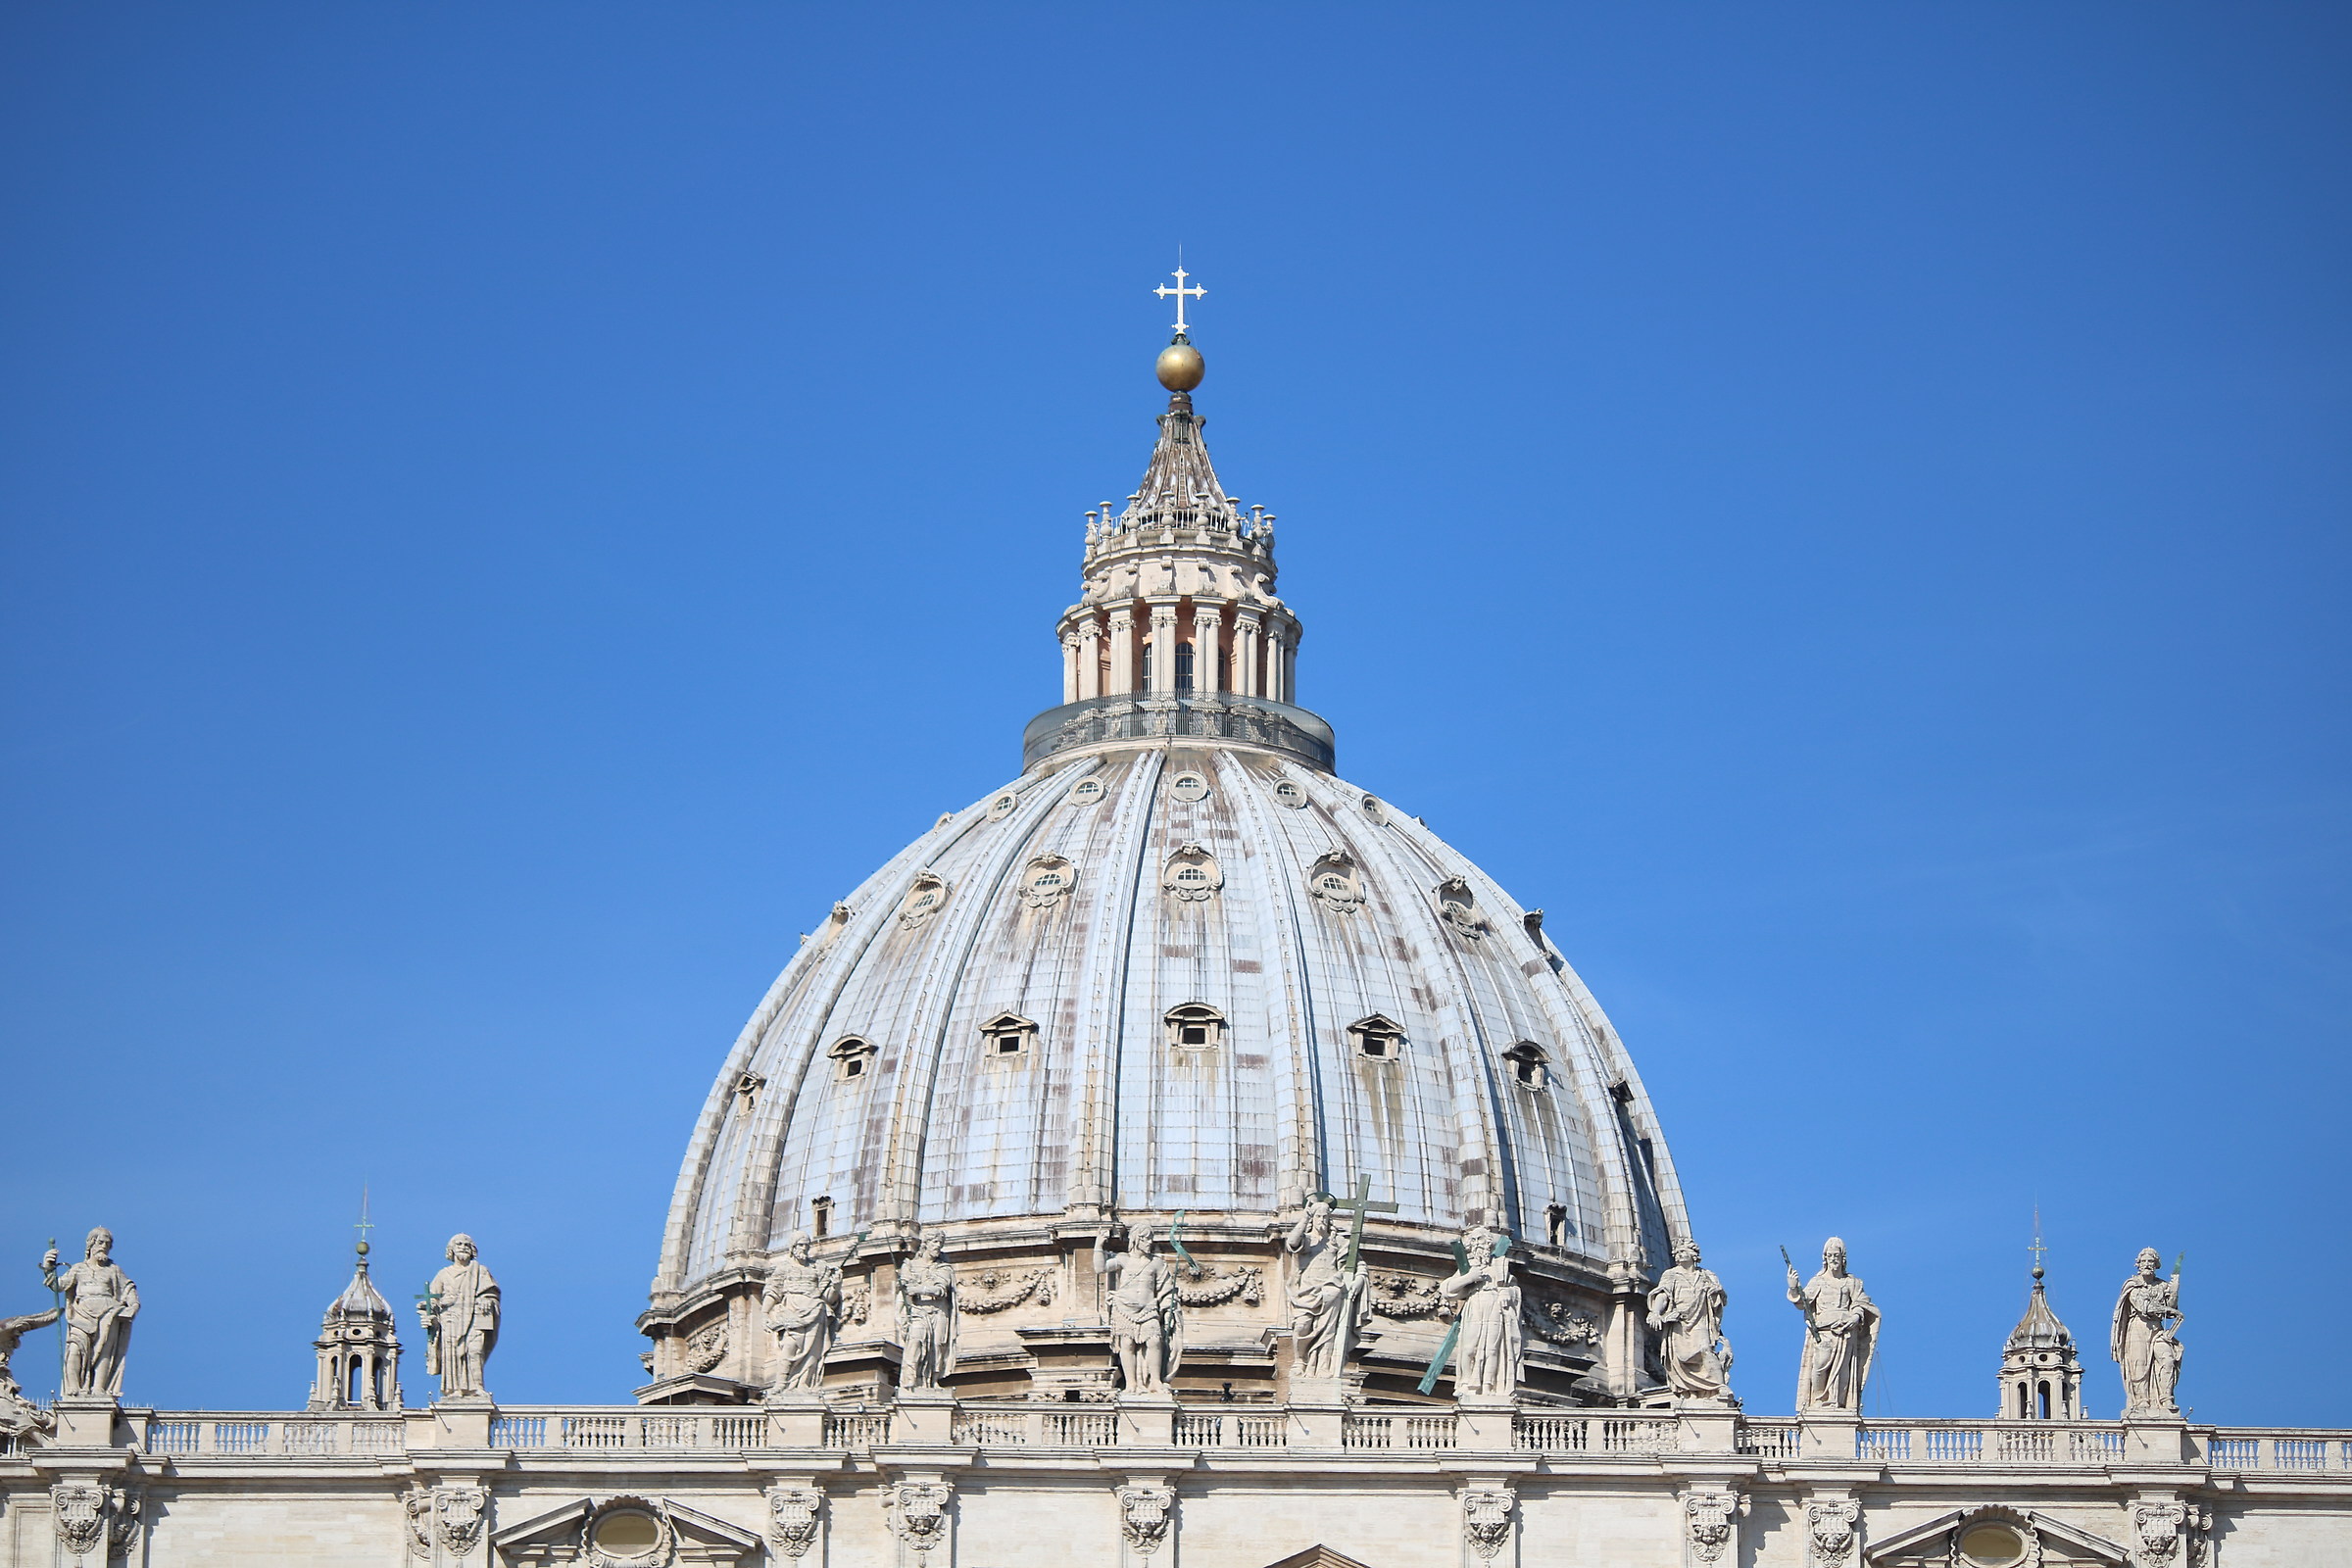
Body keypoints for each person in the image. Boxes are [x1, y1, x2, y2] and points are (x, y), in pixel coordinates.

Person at [41, 1228, 137, 1398]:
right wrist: (48, 1268)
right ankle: (73, 1389)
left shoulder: (114, 1270)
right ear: (91, 1243)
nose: (104, 1247)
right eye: (101, 1242)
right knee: (74, 1350)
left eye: (108, 1244)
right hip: (81, 1314)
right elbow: (58, 1286)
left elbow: (127, 1287)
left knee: (104, 1352)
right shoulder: (78, 1269)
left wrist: (133, 1304)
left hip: (109, 1312)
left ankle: (99, 1389)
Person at [1786, 1238, 1877, 1411]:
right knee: (1820, 1365)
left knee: (1844, 1372)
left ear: (1843, 1258)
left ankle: (1838, 1404)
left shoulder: (1852, 1282)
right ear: (1825, 1258)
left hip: (1846, 1331)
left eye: (1837, 1255)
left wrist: (1855, 1316)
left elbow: (1861, 1303)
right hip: (1824, 1330)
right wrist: (1793, 1288)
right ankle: (1819, 1399)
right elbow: (1802, 1302)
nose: (1833, 1259)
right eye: (1830, 1255)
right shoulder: (1818, 1281)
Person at [1284, 1197, 1367, 1381]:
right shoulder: (1306, 1240)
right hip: (1305, 1293)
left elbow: (1358, 1264)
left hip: (1331, 1292)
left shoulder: (1338, 1242)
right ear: (1312, 1219)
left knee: (1328, 1332)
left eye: (1325, 1217)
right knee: (1302, 1326)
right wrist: (1304, 1217)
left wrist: (1359, 1280)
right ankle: (1300, 1361)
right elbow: (1292, 1242)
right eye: (1318, 1217)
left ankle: (1322, 1366)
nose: (1322, 1220)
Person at [1094, 1225, 1182, 1394]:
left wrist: (1169, 1307)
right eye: (1145, 1238)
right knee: (1127, 1343)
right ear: (1135, 1239)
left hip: (1148, 1307)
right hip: (1125, 1306)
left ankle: (1155, 1380)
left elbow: (1166, 1289)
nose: (1149, 1242)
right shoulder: (1123, 1259)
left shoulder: (1157, 1263)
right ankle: (1131, 1384)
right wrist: (1099, 1245)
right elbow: (1100, 1268)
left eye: (1150, 1238)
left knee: (1154, 1341)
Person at [1439, 1224, 1523, 1398]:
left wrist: (1507, 1292)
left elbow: (1514, 1289)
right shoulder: (1469, 1266)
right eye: (1474, 1240)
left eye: (1481, 1239)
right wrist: (1469, 1277)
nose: (1477, 1244)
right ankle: (1465, 1383)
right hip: (1475, 1305)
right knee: (1469, 1348)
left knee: (1492, 1350)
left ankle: (1487, 1386)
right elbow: (1446, 1289)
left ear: (1489, 1243)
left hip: (1495, 1307)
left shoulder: (1500, 1266)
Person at [1646, 1240, 1732, 1401]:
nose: (1678, 1256)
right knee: (1681, 1357)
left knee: (1705, 1349)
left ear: (1693, 1255)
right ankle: (1689, 1391)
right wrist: (1656, 1312)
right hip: (1679, 1321)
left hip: (1700, 1320)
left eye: (1682, 1252)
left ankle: (1719, 1386)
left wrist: (1716, 1292)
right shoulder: (1671, 1274)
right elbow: (1663, 1295)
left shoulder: (1707, 1275)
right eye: (1676, 1253)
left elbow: (1720, 1299)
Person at [418, 1234, 499, 1399]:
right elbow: (432, 1300)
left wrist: (486, 1300)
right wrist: (430, 1313)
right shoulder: (443, 1274)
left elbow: (491, 1294)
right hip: (451, 1319)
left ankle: (477, 1387)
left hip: (475, 1317)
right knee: (453, 1355)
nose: (462, 1247)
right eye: (459, 1244)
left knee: (475, 1351)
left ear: (472, 1250)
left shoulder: (480, 1271)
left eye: (466, 1244)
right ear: (451, 1250)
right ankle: (455, 1389)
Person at [763, 1234, 843, 1393]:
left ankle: (804, 1384)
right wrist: (765, 1312)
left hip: (816, 1309)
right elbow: (773, 1291)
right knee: (790, 1346)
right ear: (793, 1247)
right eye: (800, 1245)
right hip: (792, 1310)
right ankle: (781, 1383)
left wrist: (836, 1286)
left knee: (813, 1351)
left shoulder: (818, 1267)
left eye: (806, 1245)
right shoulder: (784, 1268)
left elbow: (828, 1297)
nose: (804, 1248)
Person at [2110, 1248, 2183, 1417]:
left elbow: (2172, 1307)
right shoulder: (2133, 1284)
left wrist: (2175, 1288)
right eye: (2144, 1261)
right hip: (2137, 1328)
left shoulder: (2162, 1285)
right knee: (2139, 1365)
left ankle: (2166, 1399)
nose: (2147, 1264)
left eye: (2151, 1261)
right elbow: (2144, 1306)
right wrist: (2166, 1309)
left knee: (2168, 1359)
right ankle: (2141, 1401)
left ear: (2156, 1264)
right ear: (2138, 1264)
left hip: (2157, 1329)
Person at [896, 1231, 957, 1390]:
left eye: (940, 1244)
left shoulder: (944, 1268)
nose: (938, 1246)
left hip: (939, 1313)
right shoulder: (909, 1265)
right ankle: (910, 1380)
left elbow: (940, 1290)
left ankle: (932, 1382)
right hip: (918, 1313)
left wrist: (917, 1288)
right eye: (935, 1242)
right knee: (915, 1342)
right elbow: (904, 1289)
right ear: (926, 1243)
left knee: (937, 1346)